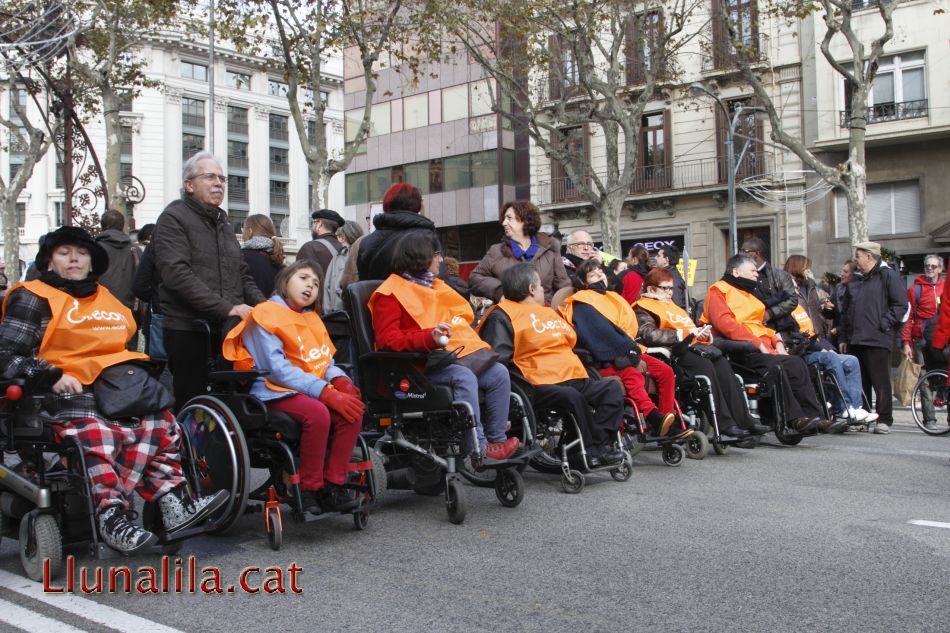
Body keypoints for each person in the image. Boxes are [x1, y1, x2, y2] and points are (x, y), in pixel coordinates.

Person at [0, 226, 227, 554]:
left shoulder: (106, 298)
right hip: (62, 393)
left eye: (82, 253)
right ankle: (110, 516)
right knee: (98, 434)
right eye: (65, 253)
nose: (75, 258)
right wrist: (50, 374)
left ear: (92, 261)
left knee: (163, 423)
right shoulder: (33, 296)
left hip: (115, 388)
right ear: (50, 262)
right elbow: (6, 355)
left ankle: (174, 504)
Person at [223, 260, 364, 513]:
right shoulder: (265, 314)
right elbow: (277, 371)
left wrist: (340, 380)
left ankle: (333, 484)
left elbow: (323, 361)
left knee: (352, 412)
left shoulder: (312, 319)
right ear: (285, 280)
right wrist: (323, 391)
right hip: (272, 389)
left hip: (309, 388)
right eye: (303, 278)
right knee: (318, 413)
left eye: (316, 283)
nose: (310, 285)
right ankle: (309, 488)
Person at [370, 233, 520, 461]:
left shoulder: (436, 287)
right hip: (416, 368)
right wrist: (428, 337)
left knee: (498, 373)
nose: (440, 260)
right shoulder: (389, 294)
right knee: (464, 377)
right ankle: (478, 449)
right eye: (436, 254)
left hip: (448, 358)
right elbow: (387, 341)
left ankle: (496, 439)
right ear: (421, 257)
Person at [478, 263, 626, 467]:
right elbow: (499, 357)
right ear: (531, 288)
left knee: (612, 389)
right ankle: (589, 450)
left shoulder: (548, 312)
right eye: (539, 286)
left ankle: (596, 445)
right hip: (537, 382)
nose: (542, 291)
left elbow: (571, 343)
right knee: (573, 398)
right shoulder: (502, 315)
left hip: (571, 375)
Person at [152, 151, 265, 409]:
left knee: (231, 401)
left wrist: (266, 307)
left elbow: (242, 273)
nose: (219, 183)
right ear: (189, 185)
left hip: (227, 330)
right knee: (193, 403)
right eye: (210, 176)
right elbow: (176, 275)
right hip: (188, 328)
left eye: (222, 178)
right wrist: (227, 308)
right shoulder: (173, 218)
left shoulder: (223, 224)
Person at [700, 253, 832, 433]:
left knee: (796, 364)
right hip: (740, 350)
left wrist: (776, 340)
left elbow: (761, 325)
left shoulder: (750, 296)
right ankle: (793, 419)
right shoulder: (719, 290)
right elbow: (726, 324)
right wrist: (757, 343)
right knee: (774, 365)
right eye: (753, 271)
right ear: (736, 272)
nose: (756, 274)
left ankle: (815, 418)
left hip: (765, 348)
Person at [635, 267, 770, 438]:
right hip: (672, 352)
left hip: (693, 347)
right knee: (706, 367)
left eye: (671, 288)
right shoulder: (642, 308)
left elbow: (689, 329)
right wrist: (682, 334)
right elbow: (649, 334)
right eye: (665, 288)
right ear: (651, 289)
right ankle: (725, 423)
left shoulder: (673, 307)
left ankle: (745, 420)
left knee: (721, 363)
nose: (670, 292)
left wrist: (702, 334)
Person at [560, 259, 681, 438]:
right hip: (604, 357)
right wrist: (628, 350)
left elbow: (627, 329)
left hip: (628, 347)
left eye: (600, 272)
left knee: (666, 371)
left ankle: (665, 420)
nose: (600, 275)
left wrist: (632, 348)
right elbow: (600, 334)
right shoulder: (582, 302)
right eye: (593, 274)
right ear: (583, 283)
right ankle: (652, 416)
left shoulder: (612, 297)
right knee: (631, 373)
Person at [783, 255, 875, 426]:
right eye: (806, 268)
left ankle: (856, 407)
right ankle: (844, 408)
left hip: (815, 341)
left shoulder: (812, 288)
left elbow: (814, 326)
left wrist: (825, 344)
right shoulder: (788, 300)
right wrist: (820, 347)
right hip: (801, 349)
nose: (809, 271)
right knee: (831, 358)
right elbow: (796, 333)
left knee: (851, 361)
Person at [839, 242, 908, 434]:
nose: (856, 259)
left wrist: (883, 323)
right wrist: (844, 337)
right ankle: (863, 417)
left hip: (877, 338)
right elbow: (845, 312)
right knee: (860, 383)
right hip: (855, 339)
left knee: (881, 381)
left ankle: (884, 419)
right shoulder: (856, 279)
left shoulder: (888, 276)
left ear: (870, 256)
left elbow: (900, 305)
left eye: (858, 255)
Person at [469, 200, 571, 305]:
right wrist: (498, 291)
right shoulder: (496, 251)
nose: (504, 223)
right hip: (512, 316)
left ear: (525, 220)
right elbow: (474, 278)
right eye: (504, 219)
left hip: (545, 315)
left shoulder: (550, 250)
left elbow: (564, 287)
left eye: (509, 218)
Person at [354, 183, 436, 282]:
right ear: (417, 205)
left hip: (380, 296)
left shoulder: (366, 242)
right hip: (415, 296)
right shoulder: (426, 235)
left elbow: (363, 281)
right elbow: (438, 275)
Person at [902, 255, 946, 430]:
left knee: (946, 378)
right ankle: (930, 419)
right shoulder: (915, 290)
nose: (930, 269)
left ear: (940, 269)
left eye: (934, 266)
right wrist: (906, 342)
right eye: (927, 266)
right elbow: (908, 318)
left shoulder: (946, 288)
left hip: (943, 339)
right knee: (924, 379)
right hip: (921, 339)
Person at [739, 237, 798, 329]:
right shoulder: (739, 275)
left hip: (779, 328)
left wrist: (770, 313)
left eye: (745, 251)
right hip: (750, 327)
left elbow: (792, 300)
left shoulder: (781, 275)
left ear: (757, 253)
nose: (741, 254)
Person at [132, 224, 165, 360]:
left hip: (160, 314)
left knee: (157, 365)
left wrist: (155, 297)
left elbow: (139, 286)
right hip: (192, 319)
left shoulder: (155, 248)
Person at [95, 209, 137, 311]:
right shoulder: (135, 249)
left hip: (99, 307)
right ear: (122, 226)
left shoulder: (93, 249)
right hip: (128, 307)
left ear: (102, 226)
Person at [240, 214, 285, 298]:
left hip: (247, 309)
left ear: (249, 231)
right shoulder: (277, 258)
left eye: (243, 229)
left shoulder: (241, 255)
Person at [296, 208, 344, 275]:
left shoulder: (309, 248)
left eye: (314, 222)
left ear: (319, 224)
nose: (312, 227)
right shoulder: (345, 249)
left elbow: (301, 278)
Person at [654, 245, 687, 310]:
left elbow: (676, 305)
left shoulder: (672, 278)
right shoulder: (669, 275)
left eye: (658, 256)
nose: (655, 258)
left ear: (666, 260)